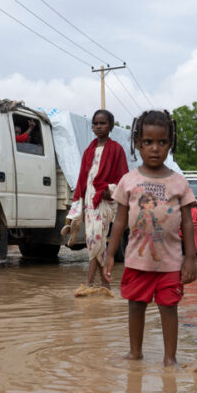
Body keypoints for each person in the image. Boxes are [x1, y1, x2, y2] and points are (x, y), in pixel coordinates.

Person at [104, 110, 197, 367]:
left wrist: (190, 259)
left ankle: (170, 358)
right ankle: (135, 353)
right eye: (148, 142)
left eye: (162, 142)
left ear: (170, 144)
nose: (155, 148)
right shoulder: (129, 180)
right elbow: (119, 221)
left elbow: (188, 223)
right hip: (137, 261)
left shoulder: (179, 182)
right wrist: (110, 254)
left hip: (170, 263)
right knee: (135, 307)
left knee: (169, 309)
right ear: (137, 143)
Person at [70, 110, 128, 288]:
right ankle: (104, 283)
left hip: (104, 200)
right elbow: (83, 177)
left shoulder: (117, 149)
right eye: (95, 123)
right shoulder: (89, 150)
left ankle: (89, 282)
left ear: (110, 126)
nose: (98, 126)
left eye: (102, 123)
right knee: (93, 239)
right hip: (89, 200)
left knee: (97, 236)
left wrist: (109, 190)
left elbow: (123, 178)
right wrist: (78, 200)